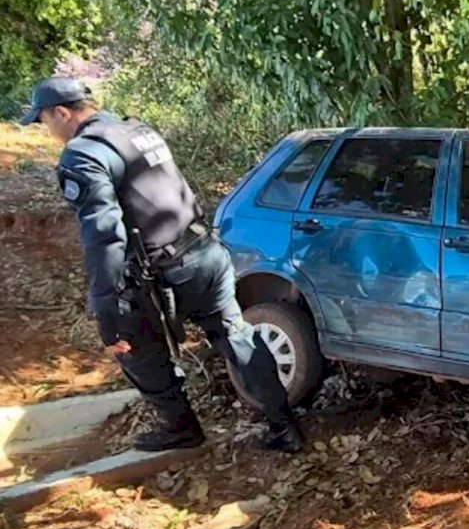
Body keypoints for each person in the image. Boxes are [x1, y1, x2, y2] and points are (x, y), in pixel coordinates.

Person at [20, 77, 303, 452]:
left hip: (164, 273)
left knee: (136, 350)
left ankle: (180, 429)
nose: (45, 129)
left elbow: (104, 236)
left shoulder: (84, 154)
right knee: (238, 337)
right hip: (206, 252)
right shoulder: (136, 130)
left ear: (62, 112)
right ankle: (284, 428)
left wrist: (105, 307)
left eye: (42, 120)